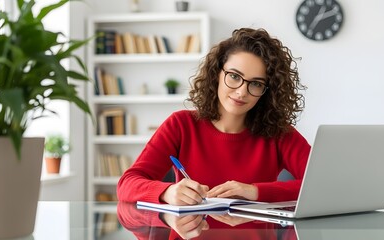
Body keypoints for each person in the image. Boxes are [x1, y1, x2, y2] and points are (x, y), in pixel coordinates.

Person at [117, 27, 311, 206]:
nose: (242, 92)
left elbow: (327, 185)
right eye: (234, 76)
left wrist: (255, 192)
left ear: (267, 91)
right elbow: (127, 184)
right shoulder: (181, 125)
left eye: (256, 84)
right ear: (216, 73)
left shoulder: (278, 133)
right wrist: (167, 192)